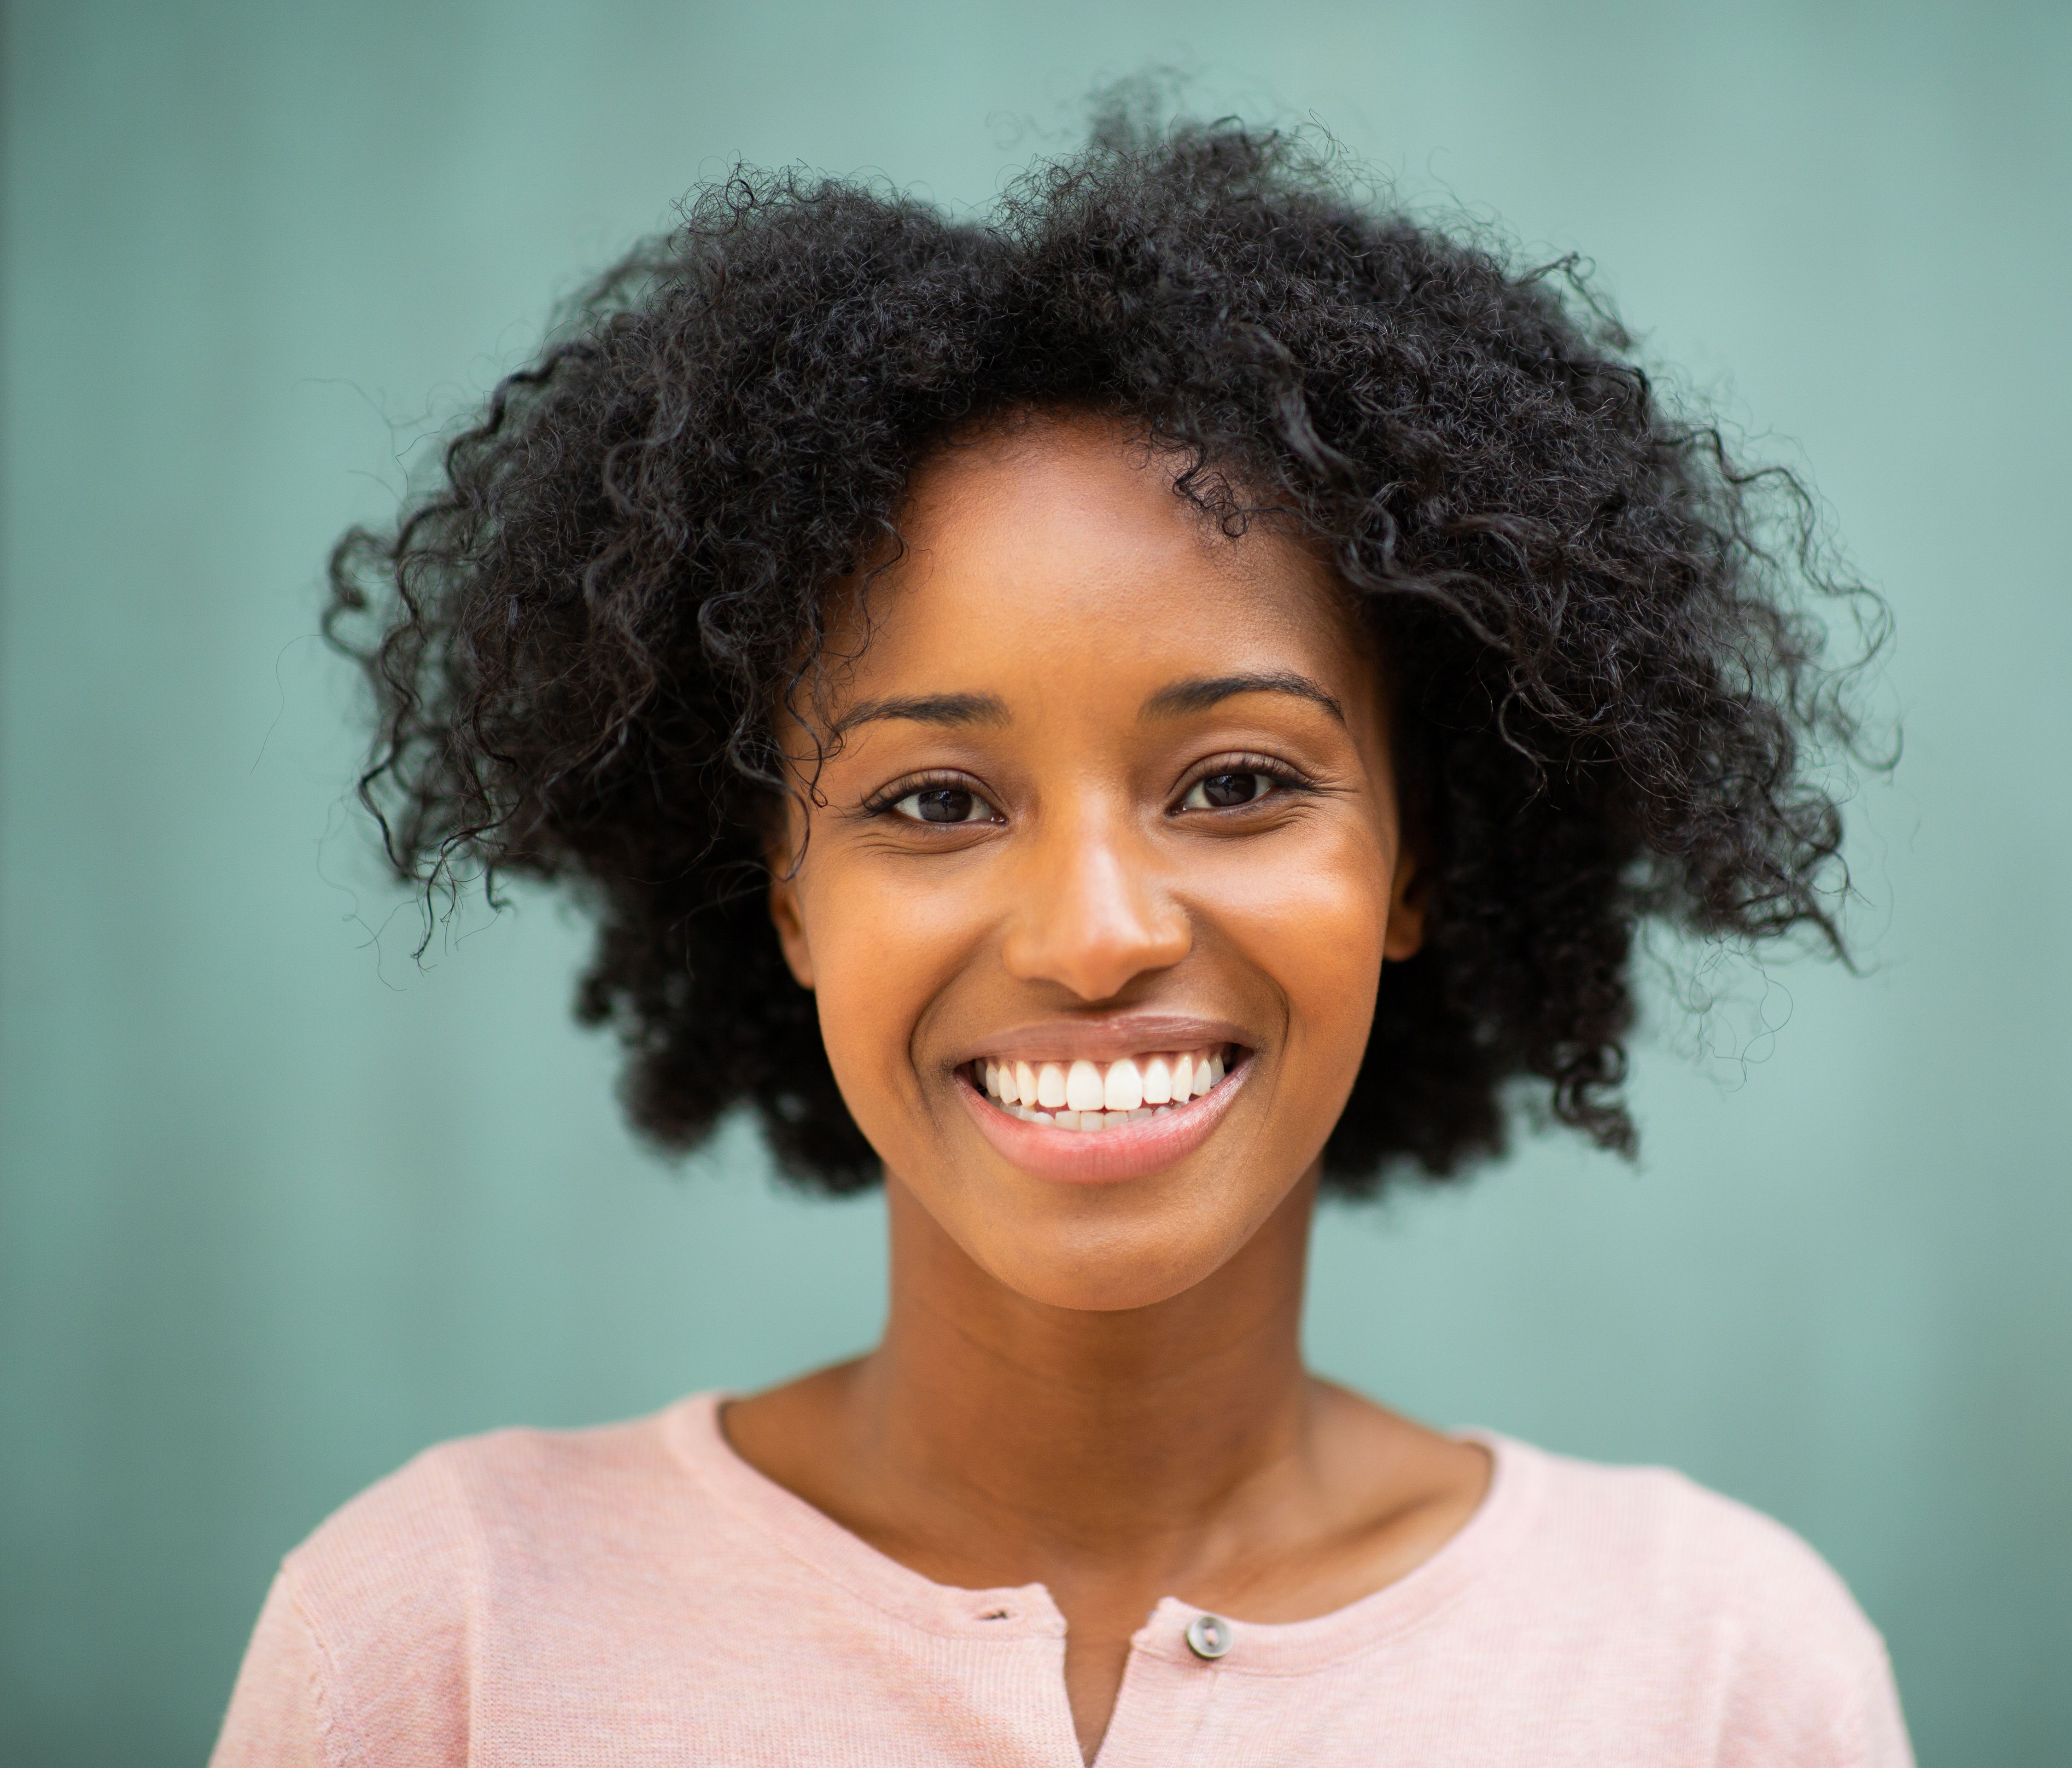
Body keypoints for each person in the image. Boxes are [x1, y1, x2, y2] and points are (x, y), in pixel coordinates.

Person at [213, 111, 1911, 1766]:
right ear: (786, 893)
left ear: (1419, 854)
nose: (1096, 936)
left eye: (1238, 780)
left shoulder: (1717, 1670)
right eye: (937, 803)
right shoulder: (447, 1638)